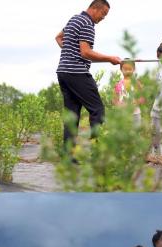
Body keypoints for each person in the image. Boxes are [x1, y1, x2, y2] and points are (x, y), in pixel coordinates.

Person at [55, 0, 121, 159]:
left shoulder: (74, 19)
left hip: (63, 72)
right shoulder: (87, 24)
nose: (103, 18)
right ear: (95, 8)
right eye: (103, 14)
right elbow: (85, 52)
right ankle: (97, 153)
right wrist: (110, 58)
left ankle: (67, 155)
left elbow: (58, 38)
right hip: (77, 73)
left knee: (72, 115)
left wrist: (70, 53)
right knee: (98, 110)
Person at [114, 60, 144, 126]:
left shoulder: (137, 83)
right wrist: (119, 105)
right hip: (123, 113)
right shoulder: (118, 84)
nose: (128, 71)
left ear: (134, 69)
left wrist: (136, 102)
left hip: (135, 113)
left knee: (136, 131)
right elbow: (114, 99)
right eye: (125, 69)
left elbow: (143, 98)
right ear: (121, 69)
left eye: (130, 69)